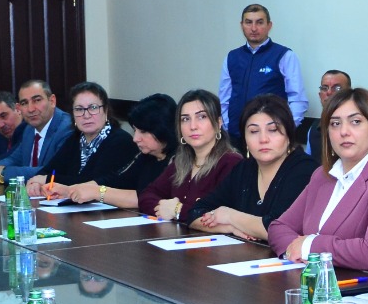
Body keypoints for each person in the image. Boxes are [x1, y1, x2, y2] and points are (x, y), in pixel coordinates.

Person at [269, 87, 368, 271]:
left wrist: (309, 247)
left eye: (355, 122)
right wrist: (296, 251)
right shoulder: (322, 176)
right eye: (335, 123)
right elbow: (279, 228)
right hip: (312, 280)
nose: (344, 131)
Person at [190, 94, 316, 240]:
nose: (263, 139)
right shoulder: (243, 169)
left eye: (273, 130)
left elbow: (280, 229)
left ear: (288, 135)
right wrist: (230, 228)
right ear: (245, 139)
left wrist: (230, 216)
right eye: (254, 131)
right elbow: (195, 213)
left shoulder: (305, 170)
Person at [57, 92, 176, 209]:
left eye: (143, 132)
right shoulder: (146, 156)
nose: (135, 139)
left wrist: (98, 192)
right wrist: (70, 190)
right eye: (135, 130)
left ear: (163, 129)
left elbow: (145, 197)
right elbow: (116, 180)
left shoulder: (178, 160)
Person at [138, 90, 241, 223]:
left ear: (218, 122)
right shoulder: (181, 161)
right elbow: (146, 196)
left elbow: (220, 215)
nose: (193, 126)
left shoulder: (231, 162)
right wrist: (164, 208)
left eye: (202, 117)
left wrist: (178, 210)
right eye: (185, 119)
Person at [219, 3, 306, 154]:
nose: (254, 28)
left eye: (259, 22)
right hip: (235, 138)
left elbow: (298, 99)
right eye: (248, 22)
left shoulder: (284, 55)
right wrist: (227, 128)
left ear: (269, 25)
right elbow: (224, 99)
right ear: (241, 25)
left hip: (269, 137)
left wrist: (285, 129)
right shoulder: (232, 57)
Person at [27, 82, 137, 199]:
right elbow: (48, 170)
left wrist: (47, 180)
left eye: (93, 108)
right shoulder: (75, 139)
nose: (86, 115)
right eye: (79, 109)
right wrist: (36, 183)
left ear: (105, 111)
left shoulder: (121, 141)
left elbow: (93, 183)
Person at [0, 79, 74, 184]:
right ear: (19, 108)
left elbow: (54, 171)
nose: (30, 109)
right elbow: (14, 159)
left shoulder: (67, 128)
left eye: (37, 100)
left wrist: (3, 174)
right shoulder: (29, 128)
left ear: (52, 101)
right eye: (24, 103)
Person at [297, 69, 350, 159]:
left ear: (349, 94)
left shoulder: (358, 127)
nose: (329, 92)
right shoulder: (313, 129)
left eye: (337, 88)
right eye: (324, 88)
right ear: (320, 95)